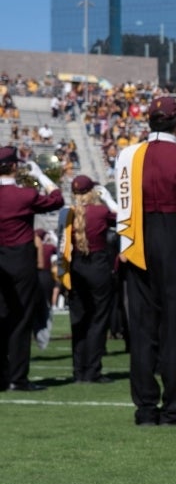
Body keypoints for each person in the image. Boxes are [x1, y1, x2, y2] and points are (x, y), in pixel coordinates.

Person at [117, 96, 176, 425]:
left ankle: (145, 408)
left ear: (149, 123)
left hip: (138, 239)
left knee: (143, 327)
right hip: (175, 238)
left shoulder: (128, 156)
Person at [0, 146, 64, 391]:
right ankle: (18, 377)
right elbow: (57, 198)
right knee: (22, 318)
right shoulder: (25, 195)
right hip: (22, 262)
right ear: (15, 167)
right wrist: (40, 175)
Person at [59, 175, 117, 383]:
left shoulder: (68, 213)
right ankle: (93, 370)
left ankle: (78, 370)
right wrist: (108, 198)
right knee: (98, 320)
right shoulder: (101, 212)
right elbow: (123, 218)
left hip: (76, 268)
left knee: (78, 320)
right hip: (98, 266)